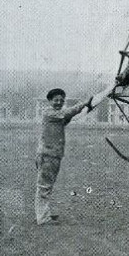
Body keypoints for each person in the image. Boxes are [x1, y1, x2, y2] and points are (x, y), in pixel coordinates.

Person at [34, 87, 93, 225]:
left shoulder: (56, 116)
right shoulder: (50, 113)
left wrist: (87, 107)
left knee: (45, 186)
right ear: (49, 101)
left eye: (61, 100)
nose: (59, 102)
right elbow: (68, 112)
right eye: (56, 100)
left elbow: (69, 117)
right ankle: (43, 218)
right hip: (49, 155)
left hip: (51, 155)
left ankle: (42, 215)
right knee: (44, 186)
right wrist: (85, 103)